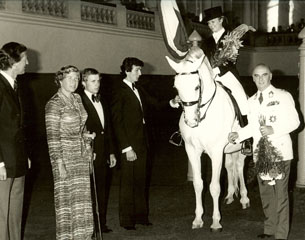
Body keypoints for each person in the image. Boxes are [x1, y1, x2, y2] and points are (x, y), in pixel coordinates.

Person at [228, 63, 300, 240]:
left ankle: (281, 234)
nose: (260, 79)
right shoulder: (251, 101)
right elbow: (253, 127)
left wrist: (273, 129)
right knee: (266, 193)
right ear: (252, 78)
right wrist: (238, 135)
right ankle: (269, 230)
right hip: (261, 154)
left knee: (280, 195)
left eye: (264, 75)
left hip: (279, 153)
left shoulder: (283, 96)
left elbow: (295, 122)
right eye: (256, 76)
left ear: (270, 77)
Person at [45, 65, 94, 240]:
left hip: (81, 156)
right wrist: (59, 164)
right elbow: (52, 137)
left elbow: (82, 126)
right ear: (60, 80)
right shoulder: (54, 104)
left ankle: (84, 237)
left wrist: (87, 139)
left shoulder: (78, 98)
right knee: (67, 204)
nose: (74, 82)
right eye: (70, 78)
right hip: (64, 158)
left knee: (83, 202)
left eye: (77, 78)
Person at [80, 68, 117, 234]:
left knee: (102, 189)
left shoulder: (102, 100)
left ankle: (100, 225)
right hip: (88, 153)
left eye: (98, 81)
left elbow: (107, 128)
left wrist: (111, 152)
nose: (97, 85)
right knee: (89, 192)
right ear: (83, 83)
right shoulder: (79, 101)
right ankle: (89, 227)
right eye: (92, 81)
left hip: (103, 153)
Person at [0, 42, 30, 240]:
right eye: (25, 58)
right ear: (14, 62)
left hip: (18, 159)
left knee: (15, 211)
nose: (28, 62)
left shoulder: (16, 85)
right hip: (3, 161)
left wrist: (24, 155)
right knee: (1, 213)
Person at [202, 6, 249, 118]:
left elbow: (232, 59)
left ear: (221, 20)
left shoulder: (231, 37)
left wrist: (217, 70)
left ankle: (245, 121)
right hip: (209, 75)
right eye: (209, 23)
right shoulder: (206, 41)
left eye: (213, 22)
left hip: (227, 74)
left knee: (240, 96)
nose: (211, 26)